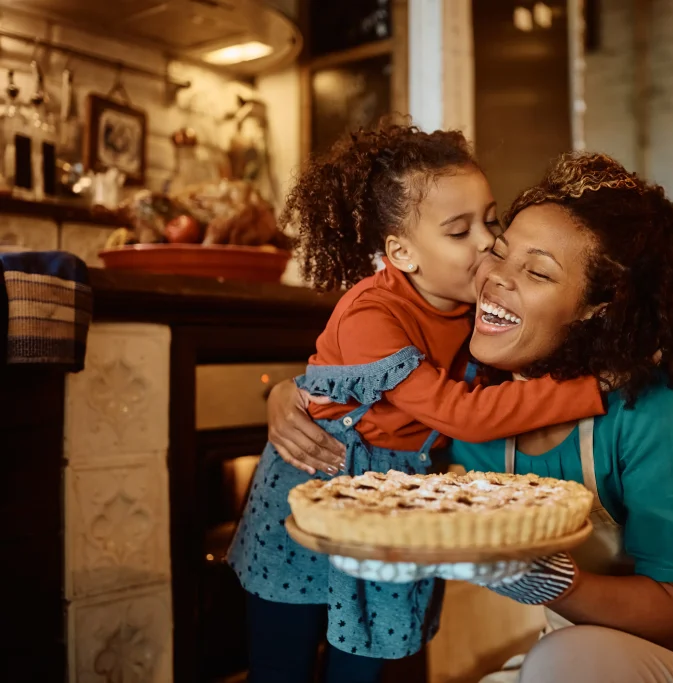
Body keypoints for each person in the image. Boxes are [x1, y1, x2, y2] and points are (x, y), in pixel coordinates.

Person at [268, 152, 673, 683]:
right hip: (563, 655)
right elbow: (391, 410)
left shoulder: (646, 406)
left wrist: (549, 582)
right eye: (500, 251)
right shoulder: (474, 387)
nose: (494, 276)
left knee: (562, 663)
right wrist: (295, 393)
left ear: (596, 305)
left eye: (537, 271)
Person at [229, 124, 606, 683]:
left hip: (393, 507)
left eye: (490, 220)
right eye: (460, 231)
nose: (486, 242)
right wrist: (594, 389)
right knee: (281, 663)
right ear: (401, 253)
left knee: (363, 668)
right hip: (311, 493)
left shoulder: (477, 307)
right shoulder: (370, 316)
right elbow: (461, 413)